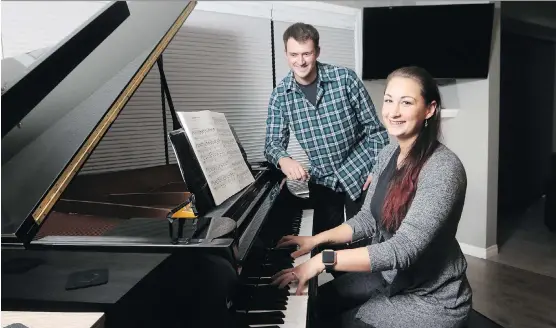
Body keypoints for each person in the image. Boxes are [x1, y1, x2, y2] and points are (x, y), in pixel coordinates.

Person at [271, 66, 472, 328]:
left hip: (431, 299)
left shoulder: (444, 168)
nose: (393, 111)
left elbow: (402, 250)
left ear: (429, 109)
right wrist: (315, 240)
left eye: (406, 102)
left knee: (339, 323)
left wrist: (323, 260)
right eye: (388, 100)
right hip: (390, 277)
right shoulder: (388, 154)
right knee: (317, 305)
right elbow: (367, 219)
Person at [264, 22, 389, 236]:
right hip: (324, 182)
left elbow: (376, 132)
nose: (300, 61)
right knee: (325, 247)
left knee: (364, 243)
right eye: (294, 54)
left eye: (307, 53)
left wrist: (375, 169)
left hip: (360, 174)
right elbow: (272, 144)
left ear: (317, 52)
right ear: (285, 53)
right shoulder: (280, 96)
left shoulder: (345, 79)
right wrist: (284, 160)